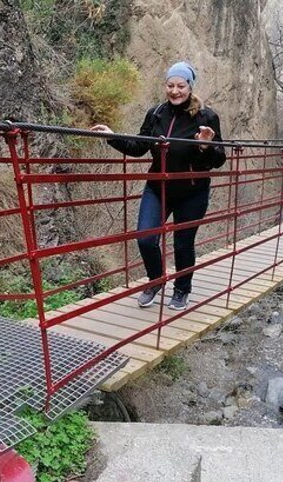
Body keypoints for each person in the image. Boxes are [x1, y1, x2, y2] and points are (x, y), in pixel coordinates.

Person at [91, 61, 227, 310]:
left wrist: (207, 145)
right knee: (145, 238)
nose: (175, 91)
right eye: (170, 85)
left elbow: (218, 161)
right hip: (157, 188)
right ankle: (156, 280)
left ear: (190, 87)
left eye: (181, 86)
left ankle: (182, 290)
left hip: (192, 191)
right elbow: (138, 147)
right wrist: (112, 137)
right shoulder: (156, 114)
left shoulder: (207, 117)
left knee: (183, 244)